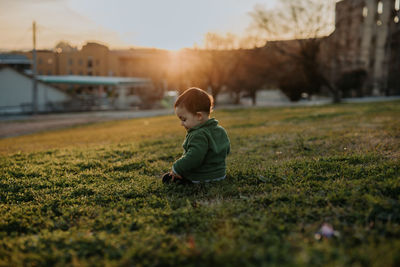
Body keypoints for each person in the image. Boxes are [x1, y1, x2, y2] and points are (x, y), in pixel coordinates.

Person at [162, 87, 230, 184]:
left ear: (199, 116)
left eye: (184, 119)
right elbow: (226, 150)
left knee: (167, 179)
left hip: (201, 177)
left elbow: (194, 157)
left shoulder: (198, 134)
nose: (181, 124)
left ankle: (185, 180)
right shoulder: (220, 130)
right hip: (220, 175)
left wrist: (176, 167)